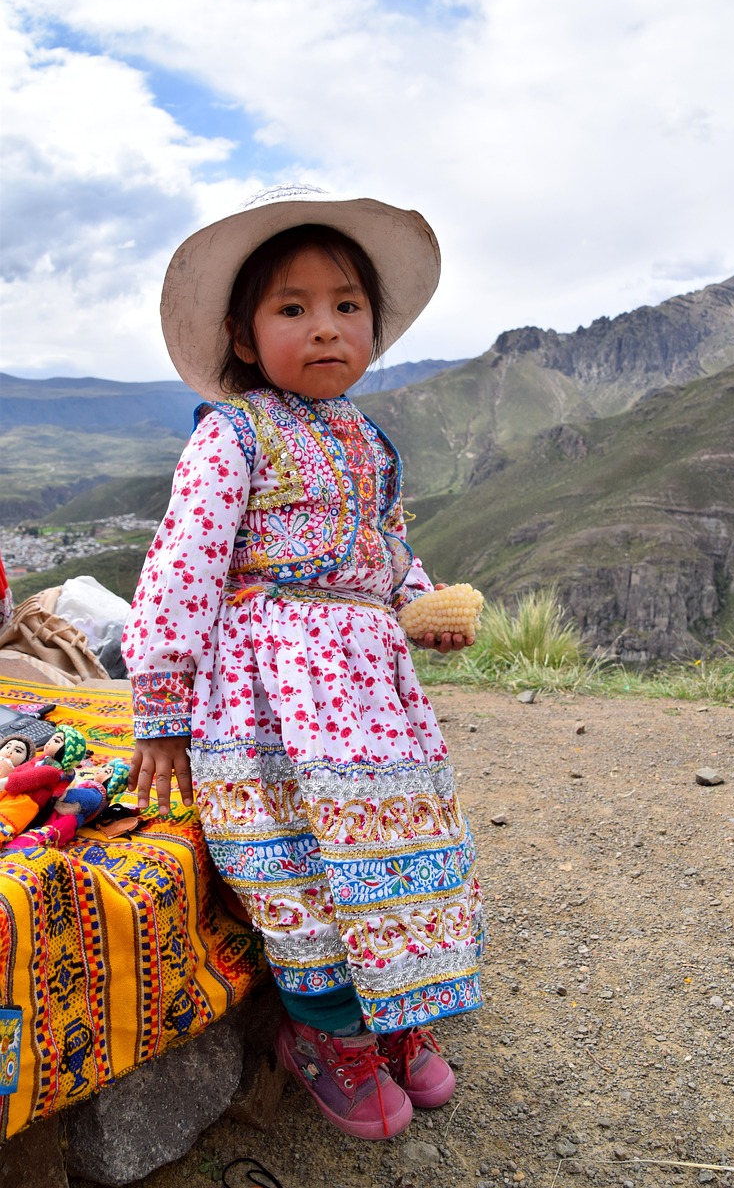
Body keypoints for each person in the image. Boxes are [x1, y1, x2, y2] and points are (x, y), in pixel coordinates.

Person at [123, 187, 484, 1140]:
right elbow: (182, 565)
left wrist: (418, 605)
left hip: (371, 700)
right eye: (292, 308)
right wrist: (162, 710)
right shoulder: (232, 435)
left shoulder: (368, 440)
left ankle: (395, 1012)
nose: (325, 327)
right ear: (244, 339)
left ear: (371, 325)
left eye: (345, 306)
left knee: (393, 851)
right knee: (305, 866)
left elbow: (388, 549)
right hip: (271, 698)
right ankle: (328, 1034)